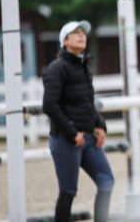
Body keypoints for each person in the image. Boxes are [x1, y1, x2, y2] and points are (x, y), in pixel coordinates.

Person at [42, 20, 114, 222]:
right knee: (68, 191)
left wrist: (100, 126)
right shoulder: (56, 68)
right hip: (65, 140)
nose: (82, 35)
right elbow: (50, 105)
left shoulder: (83, 66)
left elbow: (87, 102)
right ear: (65, 41)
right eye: (76, 33)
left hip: (88, 138)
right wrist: (72, 133)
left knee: (106, 181)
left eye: (83, 33)